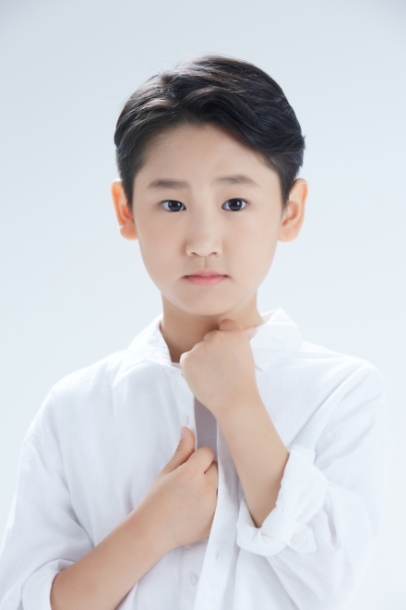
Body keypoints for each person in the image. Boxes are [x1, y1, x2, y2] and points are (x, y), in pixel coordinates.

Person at [0, 54, 392, 610]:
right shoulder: (75, 410)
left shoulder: (342, 392)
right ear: (126, 210)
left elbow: (336, 582)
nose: (203, 240)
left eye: (235, 202)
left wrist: (239, 405)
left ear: (290, 210)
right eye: (173, 203)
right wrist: (151, 530)